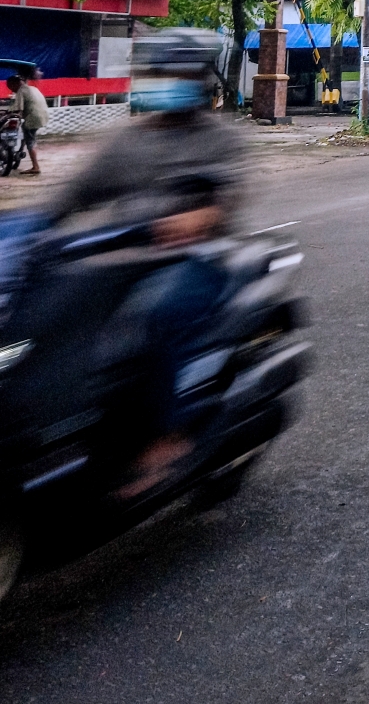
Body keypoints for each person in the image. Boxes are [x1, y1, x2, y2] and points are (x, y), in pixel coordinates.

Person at [48, 28, 246, 498]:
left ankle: (168, 436)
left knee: (158, 315)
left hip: (195, 261)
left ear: (198, 80)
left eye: (173, 73)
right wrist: (31, 225)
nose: (162, 81)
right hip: (119, 261)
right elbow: (71, 195)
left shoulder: (220, 140)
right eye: (155, 72)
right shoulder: (124, 141)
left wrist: (201, 214)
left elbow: (228, 196)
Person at [5, 73, 48, 175]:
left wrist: (7, 112)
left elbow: (18, 109)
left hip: (33, 118)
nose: (11, 90)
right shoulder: (33, 88)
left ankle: (35, 167)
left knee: (30, 141)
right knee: (30, 138)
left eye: (11, 87)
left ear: (14, 84)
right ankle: (24, 152)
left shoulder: (21, 91)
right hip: (43, 116)